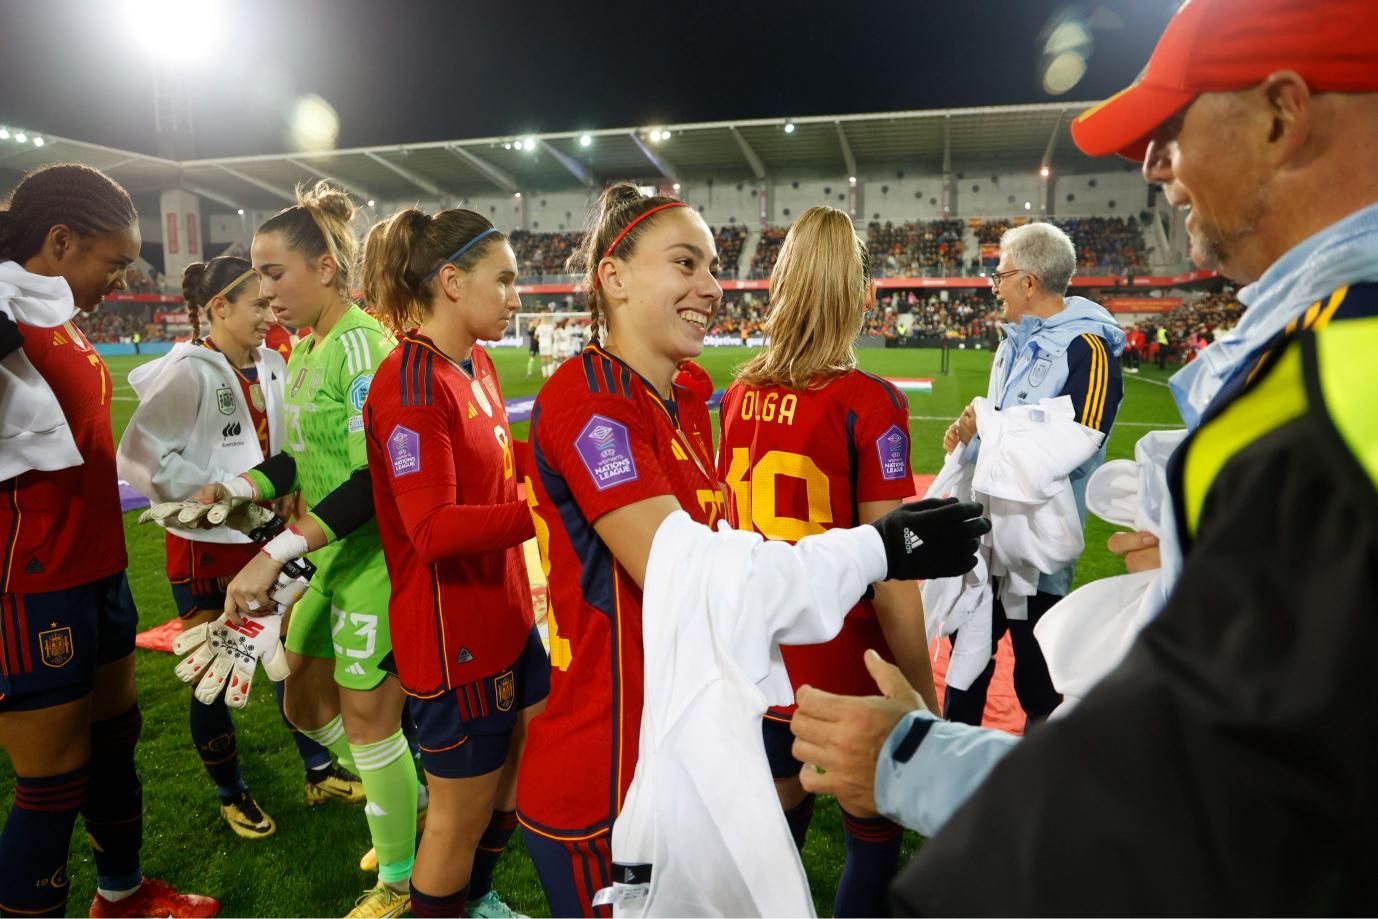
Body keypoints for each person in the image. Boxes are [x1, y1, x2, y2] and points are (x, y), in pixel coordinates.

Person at [791, 0, 1378, 911]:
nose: (1153, 167)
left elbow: (1201, 799)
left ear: (1280, 114)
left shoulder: (1335, 378)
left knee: (1030, 660)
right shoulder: (1324, 356)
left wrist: (910, 758)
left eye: (1171, 128)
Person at [516, 185, 987, 916]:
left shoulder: (689, 401)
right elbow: (694, 574)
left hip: (697, 731)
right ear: (613, 277)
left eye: (711, 264)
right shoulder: (593, 400)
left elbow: (728, 551)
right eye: (684, 262)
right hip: (611, 773)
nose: (713, 285)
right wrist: (878, 548)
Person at [194, 182, 420, 918]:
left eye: (273, 271)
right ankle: (407, 799)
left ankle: (402, 876)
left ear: (325, 267)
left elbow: (369, 479)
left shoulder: (363, 347)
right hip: (331, 560)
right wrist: (235, 486)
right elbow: (297, 461)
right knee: (300, 698)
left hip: (376, 563)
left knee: (366, 718)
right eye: (257, 275)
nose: (264, 290)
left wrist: (273, 551)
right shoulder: (309, 347)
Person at [0, 163, 218, 918]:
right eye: (113, 262)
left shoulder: (54, 314)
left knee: (116, 739)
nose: (120, 281)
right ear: (60, 241)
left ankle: (121, 896)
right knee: (53, 781)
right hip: (31, 584)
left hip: (99, 569)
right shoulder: (5, 309)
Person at [717, 206, 936, 917]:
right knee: (873, 840)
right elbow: (891, 571)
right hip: (845, 663)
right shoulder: (870, 404)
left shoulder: (741, 392)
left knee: (776, 837)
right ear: (860, 293)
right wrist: (925, 694)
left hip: (763, 659)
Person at [116, 256, 362, 841]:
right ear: (219, 307)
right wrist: (223, 497)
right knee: (219, 672)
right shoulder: (189, 371)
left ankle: (319, 769)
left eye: (271, 297)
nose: (269, 310)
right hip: (210, 553)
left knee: (288, 663)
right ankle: (232, 794)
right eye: (257, 301)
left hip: (270, 544)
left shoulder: (277, 362)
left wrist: (279, 492)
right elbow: (139, 459)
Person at [359, 207, 546, 919]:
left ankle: (477, 896)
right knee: (455, 818)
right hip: (451, 637)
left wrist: (561, 468)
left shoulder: (478, 361)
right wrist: (548, 508)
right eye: (504, 280)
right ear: (451, 281)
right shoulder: (409, 386)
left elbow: (497, 476)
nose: (515, 295)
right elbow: (432, 529)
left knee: (512, 779)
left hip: (506, 614)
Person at [940, 222, 1124, 727]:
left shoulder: (1090, 348)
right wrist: (972, 432)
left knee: (1038, 676)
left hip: (1038, 548)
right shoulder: (1012, 343)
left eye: (999, 274)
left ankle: (1039, 781)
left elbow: (1079, 441)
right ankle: (953, 768)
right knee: (967, 653)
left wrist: (992, 427)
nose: (993, 285)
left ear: (1028, 281)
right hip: (987, 534)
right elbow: (1006, 421)